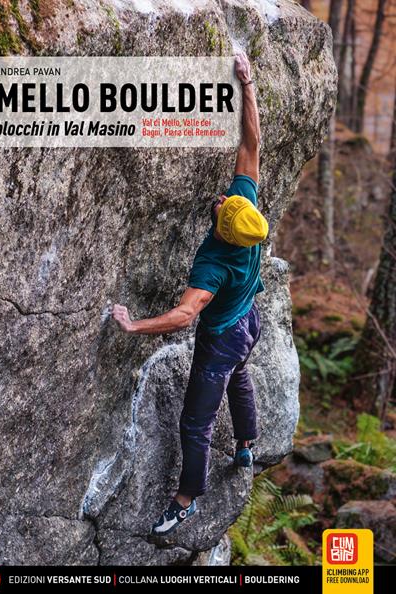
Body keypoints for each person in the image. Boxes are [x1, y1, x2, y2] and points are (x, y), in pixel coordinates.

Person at [112, 52, 268, 536]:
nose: (221, 200)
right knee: (241, 376)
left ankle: (187, 499)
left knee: (194, 424)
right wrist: (247, 85)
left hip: (221, 336)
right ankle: (246, 444)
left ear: (225, 231)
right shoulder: (248, 214)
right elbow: (252, 142)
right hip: (250, 321)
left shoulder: (213, 266)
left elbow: (184, 316)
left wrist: (133, 324)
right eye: (228, 201)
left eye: (223, 208)